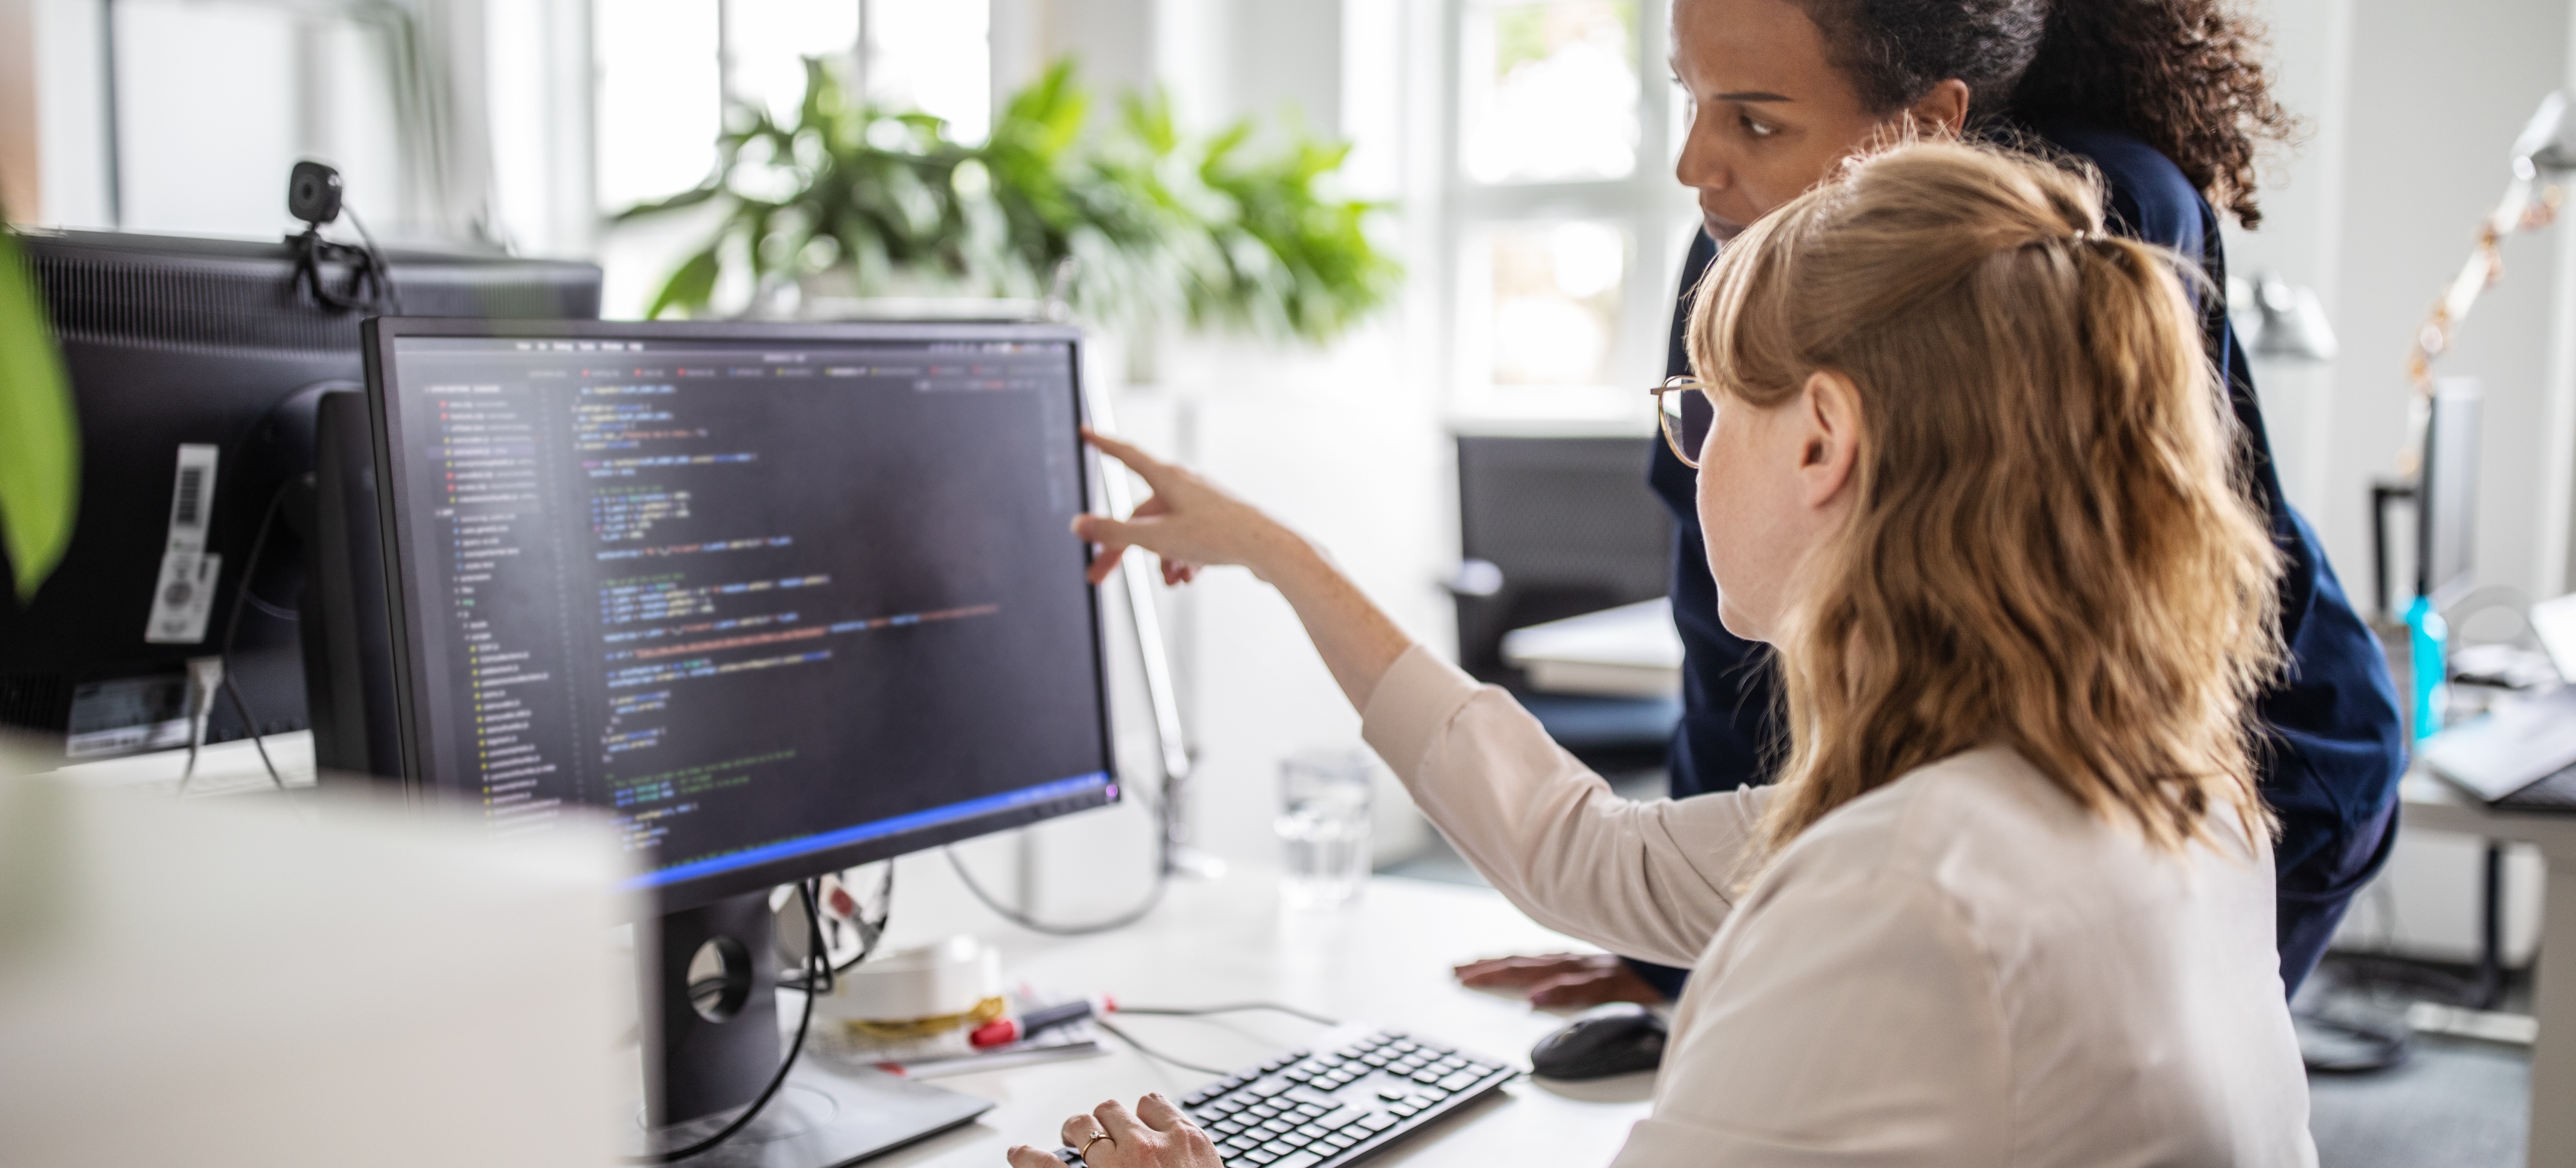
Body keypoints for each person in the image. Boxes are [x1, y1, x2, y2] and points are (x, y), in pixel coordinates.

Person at [1009, 140, 2313, 1168]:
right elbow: (1585, 854)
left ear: (1820, 442)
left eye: (1702, 410)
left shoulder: (1900, 896)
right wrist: (1289, 558)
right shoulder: (2164, 796)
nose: (1685, 460)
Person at [1459, 0, 2403, 1014]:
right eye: (1693, 99)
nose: (1698, 165)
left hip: (2249, 768)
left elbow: (2075, 647)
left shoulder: (2083, 221)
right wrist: (1681, 954)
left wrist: (1753, 948)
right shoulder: (1737, 246)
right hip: (1995, 796)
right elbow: (1727, 634)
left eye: (1757, 121)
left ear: (1926, 120)